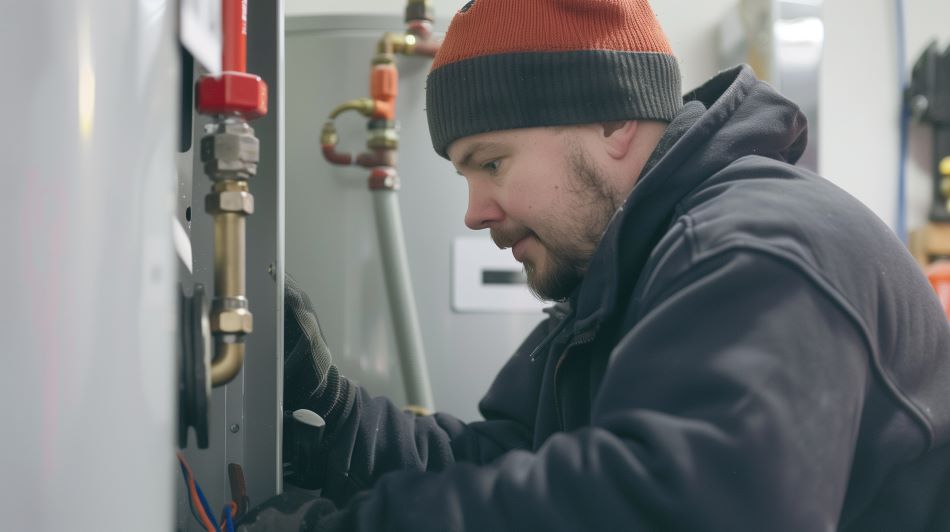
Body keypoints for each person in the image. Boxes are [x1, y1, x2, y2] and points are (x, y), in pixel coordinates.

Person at [239, 0, 950, 530]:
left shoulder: (754, 256)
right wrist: (330, 411)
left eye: (491, 162)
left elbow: (670, 511)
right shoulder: (622, 275)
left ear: (613, 122)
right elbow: (509, 460)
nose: (475, 211)